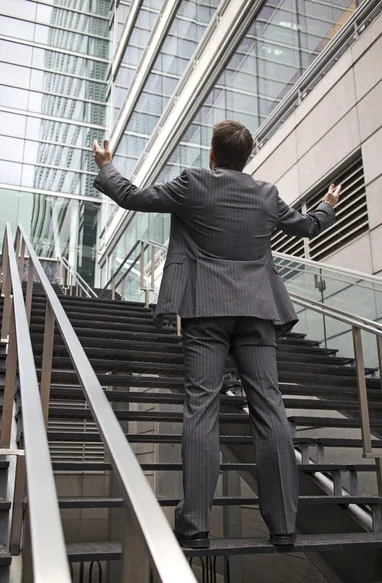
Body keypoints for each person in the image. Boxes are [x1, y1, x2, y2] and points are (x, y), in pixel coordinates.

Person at [92, 120, 340, 550]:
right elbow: (305, 226)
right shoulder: (265, 194)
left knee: (201, 408)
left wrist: (107, 164)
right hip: (258, 311)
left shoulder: (193, 185)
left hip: (206, 310)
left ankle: (195, 526)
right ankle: (283, 526)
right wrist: (329, 204)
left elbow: (132, 196)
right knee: (270, 408)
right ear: (247, 159)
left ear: (212, 154)